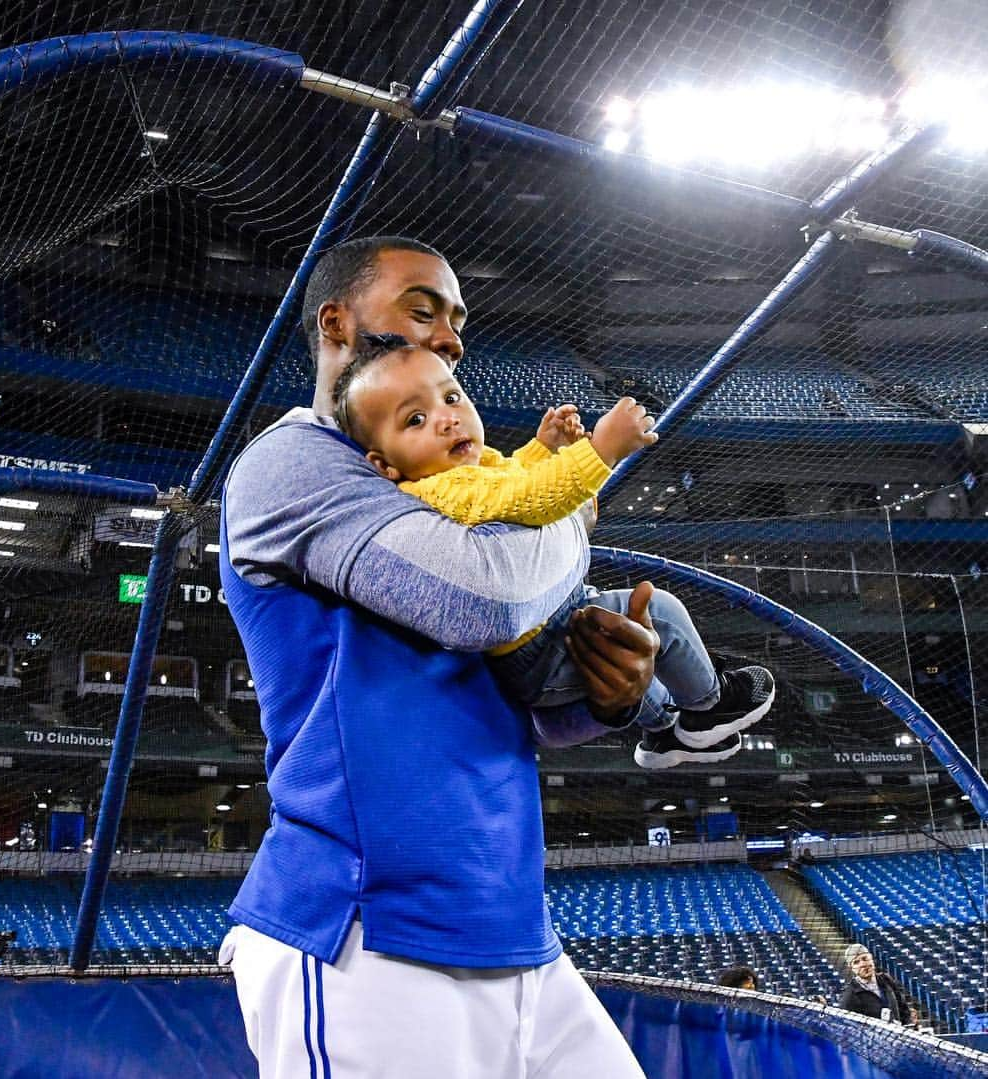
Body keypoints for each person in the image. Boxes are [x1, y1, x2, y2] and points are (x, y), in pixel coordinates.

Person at [217, 235, 664, 1078]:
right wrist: (578, 492)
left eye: (457, 324)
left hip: (509, 924)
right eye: (423, 310)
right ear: (338, 324)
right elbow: (484, 598)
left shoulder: (457, 473)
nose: (451, 336)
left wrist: (607, 695)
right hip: (363, 937)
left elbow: (514, 696)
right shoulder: (294, 463)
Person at [330, 332, 775, 767]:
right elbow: (526, 499)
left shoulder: (468, 467)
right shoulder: (437, 487)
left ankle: (666, 732)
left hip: (547, 626)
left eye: (451, 398)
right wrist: (602, 450)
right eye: (415, 420)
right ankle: (710, 705)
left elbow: (511, 477)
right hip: (542, 644)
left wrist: (541, 449)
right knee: (661, 610)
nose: (447, 418)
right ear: (384, 465)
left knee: (639, 654)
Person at [839, 943, 913, 1025]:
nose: (863, 964)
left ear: (871, 958)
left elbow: (903, 1009)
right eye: (856, 962)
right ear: (851, 968)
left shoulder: (886, 980)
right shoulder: (849, 996)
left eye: (865, 958)